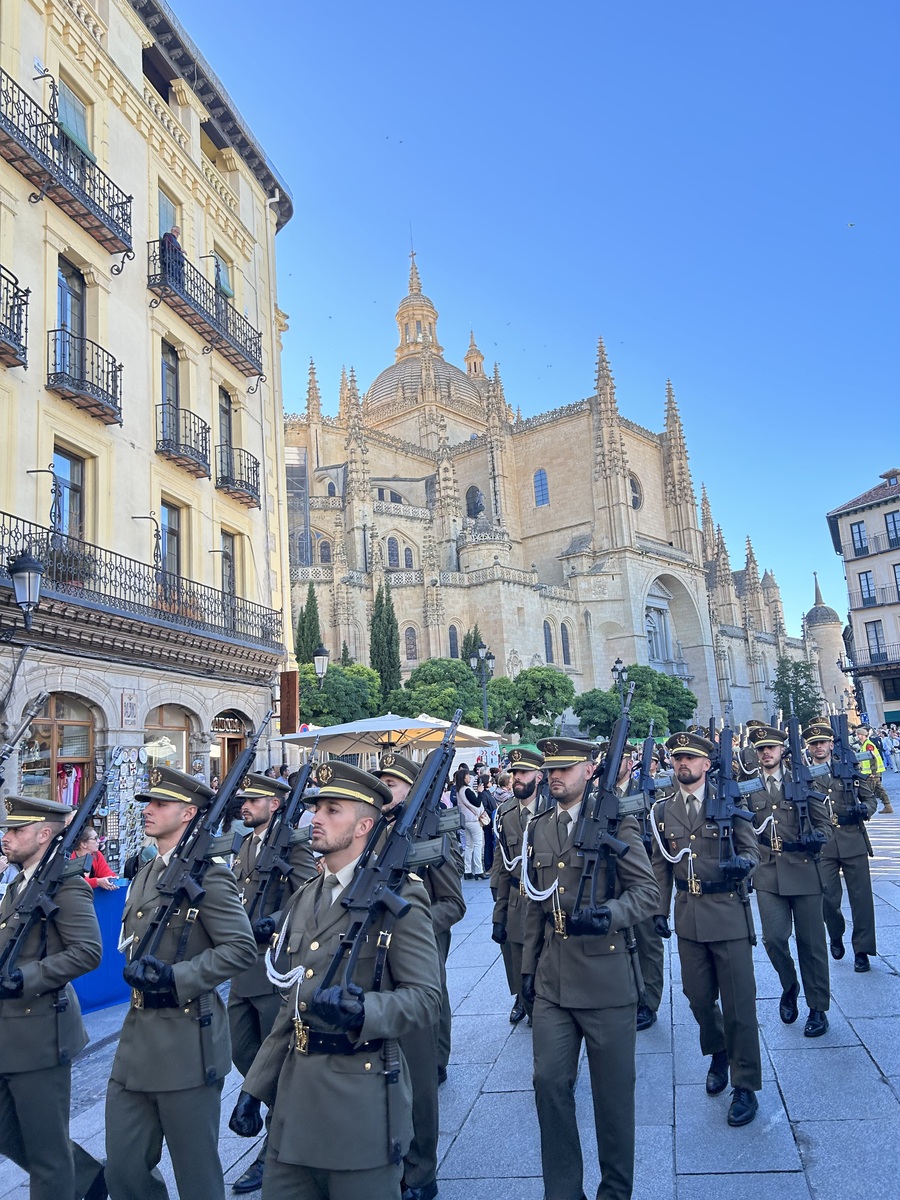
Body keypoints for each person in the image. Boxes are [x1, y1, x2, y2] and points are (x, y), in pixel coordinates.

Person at [231, 761, 442, 1200]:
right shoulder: (307, 895)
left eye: (332, 810)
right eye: (315, 809)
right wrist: (254, 1088)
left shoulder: (400, 897)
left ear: (364, 824)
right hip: (295, 1105)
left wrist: (367, 1009)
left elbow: (425, 999)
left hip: (360, 1098)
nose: (316, 819)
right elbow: (292, 1009)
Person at [105, 766, 257, 1200]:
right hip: (135, 1043)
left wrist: (177, 977)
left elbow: (240, 948)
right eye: (147, 803)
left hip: (188, 1042)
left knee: (197, 1176)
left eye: (160, 804)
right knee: (123, 1169)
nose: (148, 811)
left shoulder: (210, 875)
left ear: (189, 813)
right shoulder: (147, 872)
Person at [522, 738, 660, 1200]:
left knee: (613, 1097)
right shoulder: (539, 826)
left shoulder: (618, 820)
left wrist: (610, 916)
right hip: (553, 980)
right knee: (548, 1083)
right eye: (549, 767)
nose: (554, 775)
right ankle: (563, 1192)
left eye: (564, 767)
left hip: (606, 978)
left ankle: (615, 1192)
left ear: (589, 768)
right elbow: (533, 906)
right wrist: (526, 973)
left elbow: (647, 893)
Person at [651, 732, 762, 1127]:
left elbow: (753, 851)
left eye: (690, 758)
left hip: (728, 913)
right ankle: (717, 1051)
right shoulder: (663, 811)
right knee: (697, 997)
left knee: (739, 1004)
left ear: (706, 764)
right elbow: (661, 865)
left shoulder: (729, 802)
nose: (682, 763)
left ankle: (745, 1083)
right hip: (689, 916)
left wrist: (743, 866)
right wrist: (658, 910)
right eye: (678, 757)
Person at [0, 796, 106, 1200]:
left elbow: (87, 951)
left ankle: (71, 1180)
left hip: (39, 1033)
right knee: (12, 1134)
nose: (6, 838)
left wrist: (25, 978)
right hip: (8, 1033)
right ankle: (87, 1177)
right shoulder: (20, 882)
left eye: (16, 830)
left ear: (45, 834)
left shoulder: (65, 884)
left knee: (46, 1156)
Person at [372, 752, 466, 1200]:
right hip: (374, 954)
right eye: (382, 780)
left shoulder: (434, 830)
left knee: (421, 1055)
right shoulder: (370, 829)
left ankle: (422, 1166)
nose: (385, 788)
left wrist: (413, 928)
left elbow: (453, 902)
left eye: (394, 782)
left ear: (414, 789)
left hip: (419, 943)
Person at [228, 773, 318, 1195]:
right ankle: (286, 1115)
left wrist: (276, 923)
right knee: (242, 1052)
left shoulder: (295, 844)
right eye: (244, 800)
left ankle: (274, 1148)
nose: (245, 806)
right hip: (242, 970)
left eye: (254, 800)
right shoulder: (246, 844)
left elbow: (309, 895)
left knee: (274, 1060)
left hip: (275, 968)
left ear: (276, 804)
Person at [746, 724, 833, 1038]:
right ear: (755, 754)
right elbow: (745, 831)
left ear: (783, 751)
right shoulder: (749, 786)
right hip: (768, 873)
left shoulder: (804, 780)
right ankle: (789, 984)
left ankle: (818, 1007)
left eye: (771, 748)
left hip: (805, 869)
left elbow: (826, 826)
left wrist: (817, 838)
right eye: (761, 749)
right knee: (774, 939)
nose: (766, 753)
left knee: (812, 944)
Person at [805, 721, 878, 973]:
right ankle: (835, 933)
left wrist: (864, 809)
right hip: (823, 845)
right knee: (827, 898)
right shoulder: (803, 776)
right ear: (809, 748)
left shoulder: (847, 768)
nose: (818, 747)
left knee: (862, 899)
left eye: (822, 743)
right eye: (813, 744)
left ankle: (862, 950)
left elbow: (870, 799)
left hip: (852, 838)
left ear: (831, 745)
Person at [491, 746, 546, 1025]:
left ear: (539, 776)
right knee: (514, 955)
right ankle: (521, 999)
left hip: (545, 898)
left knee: (542, 954)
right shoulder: (505, 813)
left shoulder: (552, 808)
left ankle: (542, 1002)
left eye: (523, 772)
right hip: (515, 897)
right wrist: (498, 914)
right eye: (514, 773)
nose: (517, 778)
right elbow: (502, 866)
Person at [455, 767, 486, 879]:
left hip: (465, 821)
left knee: (469, 845)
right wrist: (480, 792)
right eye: (467, 775)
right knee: (478, 844)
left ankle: (467, 870)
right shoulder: (467, 790)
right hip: (473, 820)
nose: (470, 777)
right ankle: (478, 870)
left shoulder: (459, 790)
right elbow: (477, 803)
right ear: (464, 778)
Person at [854, 726, 892, 813]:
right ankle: (887, 806)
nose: (856, 736)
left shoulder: (868, 745)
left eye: (858, 734)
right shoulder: (865, 744)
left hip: (871, 773)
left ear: (861, 735)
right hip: (871, 772)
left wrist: (873, 772)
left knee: (868, 792)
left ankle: (869, 808)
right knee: (879, 789)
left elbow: (872, 759)